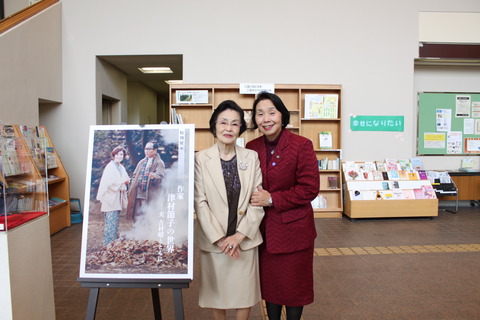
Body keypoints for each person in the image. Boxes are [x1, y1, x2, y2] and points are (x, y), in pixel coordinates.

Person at [246, 91, 320, 320]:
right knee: (270, 285)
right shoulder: (251, 147)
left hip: (294, 230)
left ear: (282, 115)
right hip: (263, 229)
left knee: (295, 287)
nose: (266, 118)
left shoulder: (301, 145)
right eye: (260, 114)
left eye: (271, 112)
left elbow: (309, 189)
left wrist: (272, 199)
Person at [194, 100, 264, 320]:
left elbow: (258, 200)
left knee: (244, 293)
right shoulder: (200, 158)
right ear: (214, 126)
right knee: (218, 293)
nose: (228, 128)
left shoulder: (251, 157)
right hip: (215, 240)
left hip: (245, 238)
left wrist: (239, 236)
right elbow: (200, 202)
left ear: (240, 129)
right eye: (223, 122)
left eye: (235, 124)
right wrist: (221, 239)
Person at [96, 146, 130, 245]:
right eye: (118, 154)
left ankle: (112, 243)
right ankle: (107, 244)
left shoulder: (121, 167)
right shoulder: (110, 166)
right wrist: (123, 181)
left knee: (115, 221)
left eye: (121, 155)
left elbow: (125, 178)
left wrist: (125, 182)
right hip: (110, 197)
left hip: (117, 197)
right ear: (114, 155)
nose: (119, 156)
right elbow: (109, 183)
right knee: (110, 221)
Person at [126, 141, 165, 221]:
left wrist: (154, 177)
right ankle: (137, 232)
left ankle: (147, 233)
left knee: (148, 216)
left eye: (149, 149)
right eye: (145, 149)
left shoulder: (159, 162)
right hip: (137, 193)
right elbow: (134, 175)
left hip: (149, 194)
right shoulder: (142, 162)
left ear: (155, 150)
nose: (146, 151)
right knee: (137, 215)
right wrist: (132, 186)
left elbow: (161, 176)